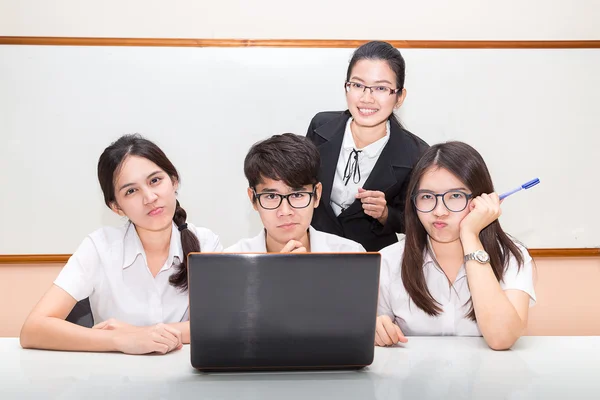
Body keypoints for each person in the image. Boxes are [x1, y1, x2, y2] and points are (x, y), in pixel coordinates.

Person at [20, 134, 222, 354]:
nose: (149, 197)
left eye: (155, 180)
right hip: (114, 380)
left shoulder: (206, 243)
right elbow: (33, 329)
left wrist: (139, 333)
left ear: (173, 181)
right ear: (117, 207)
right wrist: (119, 340)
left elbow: (225, 326)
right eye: (131, 191)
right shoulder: (99, 247)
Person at [375, 141, 536, 350]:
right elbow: (375, 329)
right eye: (426, 197)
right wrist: (377, 329)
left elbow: (502, 338)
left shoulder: (512, 256)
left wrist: (470, 236)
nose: (439, 211)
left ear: (481, 199)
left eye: (456, 196)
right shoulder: (388, 260)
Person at [306, 40, 429, 251]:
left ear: (399, 97)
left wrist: (385, 214)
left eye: (381, 88)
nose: (366, 98)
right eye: (357, 85)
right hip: (315, 251)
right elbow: (301, 186)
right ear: (346, 88)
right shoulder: (320, 126)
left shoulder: (416, 153)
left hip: (372, 257)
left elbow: (420, 221)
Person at [226, 133, 364, 253]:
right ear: (253, 199)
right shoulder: (230, 263)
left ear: (317, 195)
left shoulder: (352, 256)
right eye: (272, 196)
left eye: (297, 195)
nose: (285, 211)